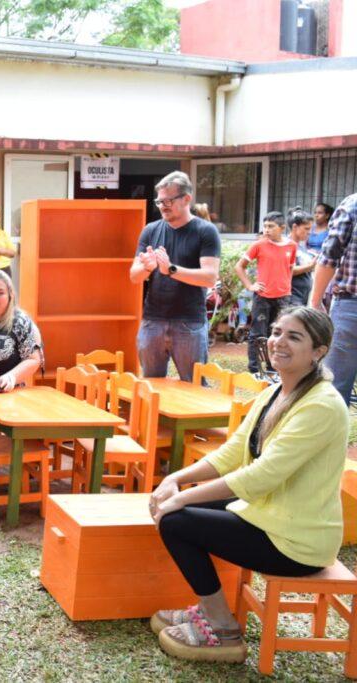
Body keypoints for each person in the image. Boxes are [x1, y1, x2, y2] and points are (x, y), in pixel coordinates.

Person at [148, 306, 347, 663]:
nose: (278, 342)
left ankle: (222, 628)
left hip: (296, 541)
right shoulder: (276, 393)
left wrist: (182, 499)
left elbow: (260, 477)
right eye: (276, 332)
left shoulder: (323, 405)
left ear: (319, 351)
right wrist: (175, 479)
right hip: (266, 517)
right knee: (176, 510)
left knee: (177, 520)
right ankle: (210, 612)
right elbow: (233, 452)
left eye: (293, 336)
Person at [129, 171, 220, 382]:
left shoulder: (205, 231)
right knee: (150, 385)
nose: (162, 206)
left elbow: (209, 277)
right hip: (153, 321)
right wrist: (147, 268)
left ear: (186, 198)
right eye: (159, 201)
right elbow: (134, 276)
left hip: (189, 322)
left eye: (168, 200)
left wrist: (171, 269)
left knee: (194, 385)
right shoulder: (150, 230)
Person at [234, 211, 297, 374]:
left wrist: (287, 286)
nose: (266, 230)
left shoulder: (292, 246)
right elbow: (239, 266)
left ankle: (272, 368)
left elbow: (290, 268)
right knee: (257, 333)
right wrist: (250, 286)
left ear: (282, 228)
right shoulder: (258, 245)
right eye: (265, 226)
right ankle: (255, 369)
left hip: (283, 298)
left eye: (271, 226)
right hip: (262, 297)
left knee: (276, 333)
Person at [311, 192, 357, 406]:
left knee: (335, 387)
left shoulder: (353, 204)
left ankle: (331, 438)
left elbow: (330, 256)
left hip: (351, 307)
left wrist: (315, 302)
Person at [287, 208, 316, 307]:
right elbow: (287, 270)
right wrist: (310, 266)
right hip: (291, 297)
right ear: (295, 227)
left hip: (304, 297)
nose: (309, 232)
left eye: (310, 229)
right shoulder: (286, 245)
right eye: (306, 228)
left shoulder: (302, 247)